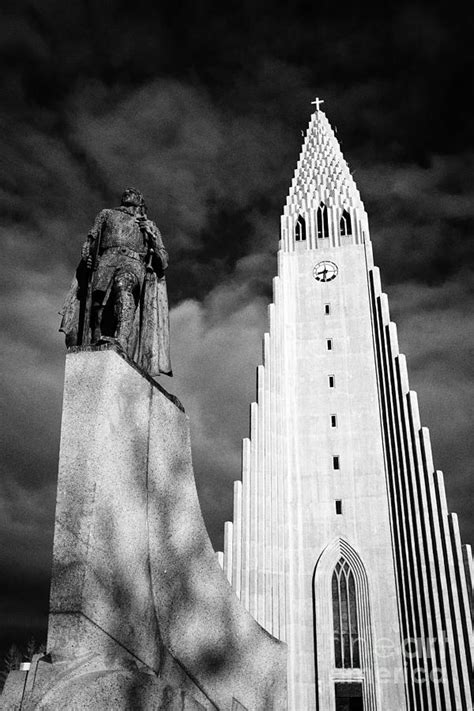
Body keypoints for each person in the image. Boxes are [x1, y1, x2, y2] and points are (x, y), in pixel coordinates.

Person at [60, 188, 172, 377]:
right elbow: (91, 240)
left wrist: (151, 239)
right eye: (127, 191)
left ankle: (120, 339)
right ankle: (97, 344)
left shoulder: (149, 225)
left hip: (133, 262)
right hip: (106, 260)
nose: (129, 192)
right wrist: (87, 256)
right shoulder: (106, 214)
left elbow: (163, 260)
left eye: (134, 192)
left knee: (123, 287)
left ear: (140, 201)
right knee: (98, 307)